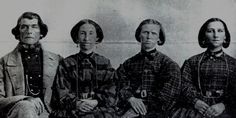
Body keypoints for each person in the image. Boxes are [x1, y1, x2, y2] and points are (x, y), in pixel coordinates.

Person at [50, 19, 119, 118]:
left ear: (97, 38)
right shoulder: (67, 63)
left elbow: (112, 88)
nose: (86, 38)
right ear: (77, 38)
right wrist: (76, 103)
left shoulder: (105, 63)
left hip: (98, 106)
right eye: (82, 33)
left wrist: (96, 101)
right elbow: (60, 91)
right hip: (72, 108)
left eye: (91, 34)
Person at [0, 12, 62, 118]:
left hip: (49, 113)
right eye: (24, 27)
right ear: (18, 33)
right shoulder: (4, 62)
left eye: (34, 27)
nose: (29, 31)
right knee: (25, 107)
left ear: (41, 32)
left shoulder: (57, 60)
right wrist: (24, 99)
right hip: (17, 112)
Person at [171, 18, 236, 118]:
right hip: (197, 108)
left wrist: (224, 105)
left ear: (225, 36)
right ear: (204, 36)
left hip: (226, 109)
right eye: (210, 31)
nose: (215, 35)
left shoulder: (233, 63)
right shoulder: (192, 61)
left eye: (220, 31)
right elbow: (183, 84)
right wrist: (195, 101)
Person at [116, 19, 181, 118]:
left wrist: (144, 105)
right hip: (129, 106)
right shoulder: (128, 63)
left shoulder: (169, 65)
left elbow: (168, 95)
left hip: (158, 111)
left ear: (159, 38)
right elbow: (120, 84)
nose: (149, 36)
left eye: (153, 33)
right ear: (139, 35)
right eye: (145, 32)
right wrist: (130, 98)